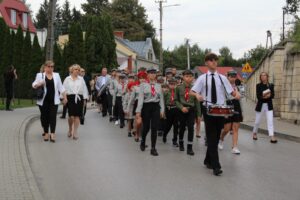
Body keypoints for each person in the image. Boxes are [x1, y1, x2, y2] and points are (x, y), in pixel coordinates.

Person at [191, 53, 240, 176]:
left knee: (216, 137)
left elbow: (231, 91)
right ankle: (216, 166)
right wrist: (197, 95)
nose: (214, 62)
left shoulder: (223, 78)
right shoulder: (202, 78)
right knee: (212, 137)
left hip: (221, 110)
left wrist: (237, 95)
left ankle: (207, 160)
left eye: (215, 60)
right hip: (208, 110)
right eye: (211, 60)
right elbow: (192, 91)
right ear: (206, 63)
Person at [32, 60, 66, 143]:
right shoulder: (40, 75)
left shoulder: (56, 75)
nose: (50, 68)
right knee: (44, 117)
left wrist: (65, 97)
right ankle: (46, 132)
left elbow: (61, 87)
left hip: (54, 100)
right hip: (43, 101)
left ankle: (52, 133)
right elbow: (34, 85)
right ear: (45, 67)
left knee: (53, 117)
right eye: (49, 66)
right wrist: (39, 83)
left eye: (52, 67)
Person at [136, 67, 165, 156]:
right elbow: (140, 98)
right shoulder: (143, 85)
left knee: (154, 128)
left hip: (156, 107)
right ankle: (143, 141)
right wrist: (138, 111)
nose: (152, 74)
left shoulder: (159, 85)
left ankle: (153, 148)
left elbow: (161, 99)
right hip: (146, 107)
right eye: (150, 73)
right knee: (147, 127)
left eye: (154, 73)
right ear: (147, 75)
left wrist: (162, 110)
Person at [175, 70, 201, 155]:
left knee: (190, 128)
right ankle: (181, 142)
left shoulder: (195, 88)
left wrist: (199, 115)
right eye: (187, 76)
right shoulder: (178, 88)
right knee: (182, 127)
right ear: (183, 77)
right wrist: (181, 107)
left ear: (193, 78)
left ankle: (190, 147)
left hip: (191, 110)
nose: (189, 78)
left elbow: (197, 102)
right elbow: (176, 100)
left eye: (190, 76)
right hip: (182, 110)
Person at [218, 70, 243, 154]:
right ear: (227, 77)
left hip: (236, 105)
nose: (232, 79)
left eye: (234, 77)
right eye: (231, 77)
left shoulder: (237, 86)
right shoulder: (223, 86)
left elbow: (240, 96)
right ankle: (221, 139)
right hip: (227, 105)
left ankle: (235, 147)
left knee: (236, 127)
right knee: (227, 129)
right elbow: (222, 98)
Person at [63, 64, 89, 140]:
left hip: (79, 98)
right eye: (75, 69)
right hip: (70, 98)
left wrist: (84, 99)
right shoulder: (67, 79)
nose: (77, 71)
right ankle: (70, 128)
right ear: (72, 70)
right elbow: (63, 89)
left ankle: (75, 132)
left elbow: (84, 90)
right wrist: (63, 98)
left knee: (77, 116)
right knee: (71, 116)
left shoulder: (81, 79)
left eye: (78, 70)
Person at [252, 72, 277, 143]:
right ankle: (254, 133)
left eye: (264, 75)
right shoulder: (258, 85)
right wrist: (264, 97)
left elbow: (273, 95)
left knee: (270, 121)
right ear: (260, 77)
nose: (263, 77)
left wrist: (269, 96)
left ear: (267, 77)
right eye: (262, 76)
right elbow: (258, 96)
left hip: (269, 105)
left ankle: (272, 136)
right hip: (260, 105)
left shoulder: (271, 85)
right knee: (257, 121)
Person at [128, 71, 148, 142]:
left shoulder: (148, 87)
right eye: (140, 78)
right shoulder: (135, 88)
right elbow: (131, 99)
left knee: (143, 123)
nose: (142, 80)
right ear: (138, 79)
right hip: (137, 105)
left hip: (146, 105)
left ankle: (141, 136)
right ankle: (136, 133)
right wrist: (128, 108)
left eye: (143, 78)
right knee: (138, 122)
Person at [163, 77, 179, 147]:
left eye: (174, 84)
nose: (172, 85)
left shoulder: (178, 92)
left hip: (176, 109)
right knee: (168, 125)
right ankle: (165, 134)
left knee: (176, 126)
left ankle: (174, 140)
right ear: (168, 85)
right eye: (171, 84)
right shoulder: (166, 92)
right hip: (169, 109)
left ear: (176, 84)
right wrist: (163, 111)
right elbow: (163, 102)